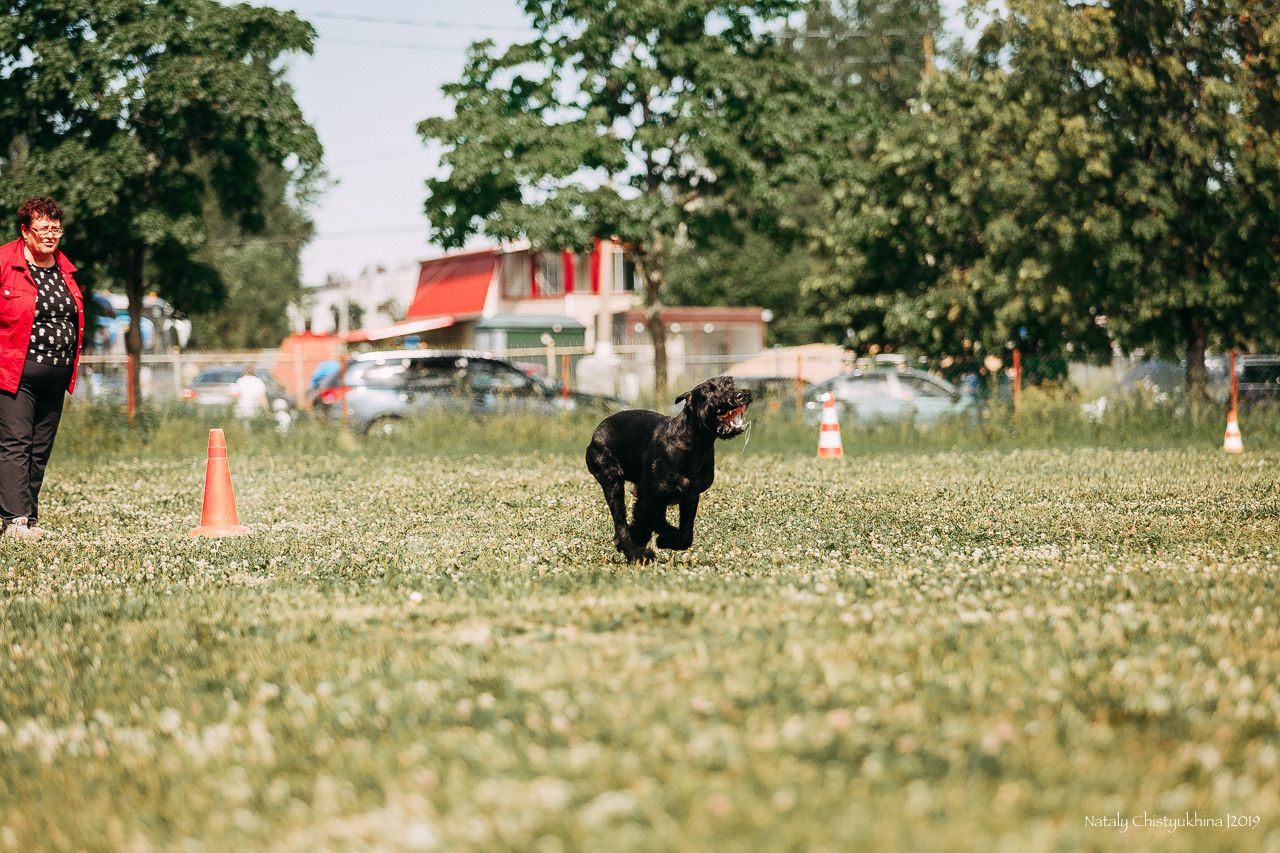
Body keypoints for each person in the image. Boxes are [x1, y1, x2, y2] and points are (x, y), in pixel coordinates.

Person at [0, 197, 85, 539]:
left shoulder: (65, 268)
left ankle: (29, 519)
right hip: (15, 373)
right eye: (42, 228)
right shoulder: (5, 261)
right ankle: (15, 521)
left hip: (57, 373)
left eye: (55, 228)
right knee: (16, 443)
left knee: (39, 450)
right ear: (25, 230)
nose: (50, 234)